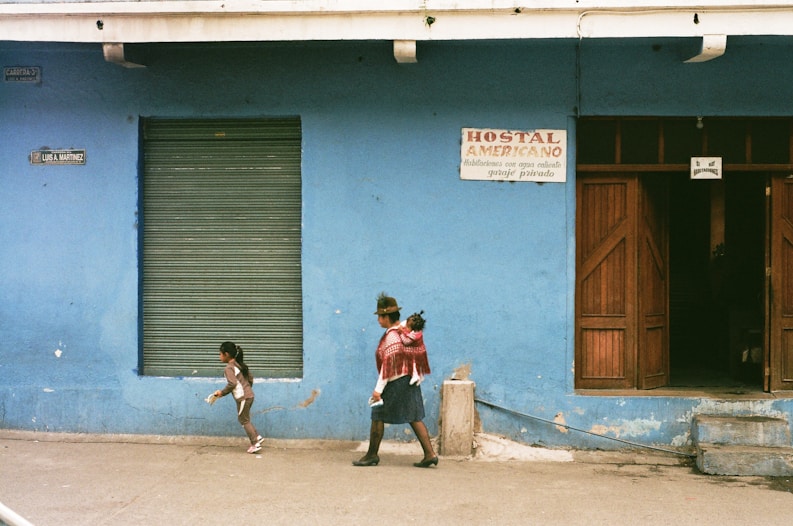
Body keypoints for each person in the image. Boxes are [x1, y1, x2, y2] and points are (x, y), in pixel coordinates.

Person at [353, 293, 438, 468]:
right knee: (414, 417)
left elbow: (388, 366)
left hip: (397, 381)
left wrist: (378, 389)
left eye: (380, 317)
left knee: (377, 414)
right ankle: (430, 454)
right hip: (408, 380)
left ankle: (371, 455)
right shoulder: (402, 332)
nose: (378, 320)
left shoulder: (392, 336)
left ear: (386, 317)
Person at [213, 341, 265, 454]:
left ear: (226, 354)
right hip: (249, 395)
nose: (219, 356)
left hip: (243, 398)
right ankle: (257, 436)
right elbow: (250, 377)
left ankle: (255, 443)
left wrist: (221, 393)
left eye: (220, 354)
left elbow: (232, 384)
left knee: (243, 420)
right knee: (246, 418)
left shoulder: (229, 368)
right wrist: (248, 389)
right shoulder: (239, 364)